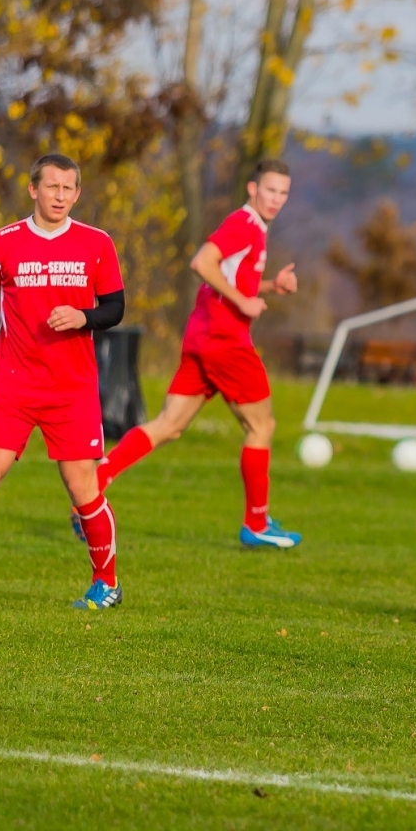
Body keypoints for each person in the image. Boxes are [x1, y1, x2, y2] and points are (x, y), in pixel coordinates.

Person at [0, 153, 127, 609]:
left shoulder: (96, 243)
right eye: (52, 186)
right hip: (14, 384)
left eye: (68, 188)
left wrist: (84, 316)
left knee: (82, 486)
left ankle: (106, 584)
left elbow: (115, 307)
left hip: (72, 388)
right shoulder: (1, 244)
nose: (60, 196)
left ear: (77, 193)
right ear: (33, 189)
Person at [90, 159, 302, 548]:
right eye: (270, 190)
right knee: (261, 427)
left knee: (169, 424)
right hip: (226, 340)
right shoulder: (244, 223)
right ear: (253, 189)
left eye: (283, 193)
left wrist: (271, 286)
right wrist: (244, 302)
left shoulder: (253, 227)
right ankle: (257, 525)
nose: (276, 199)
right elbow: (202, 262)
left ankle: (95, 483)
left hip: (201, 337)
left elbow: (231, 278)